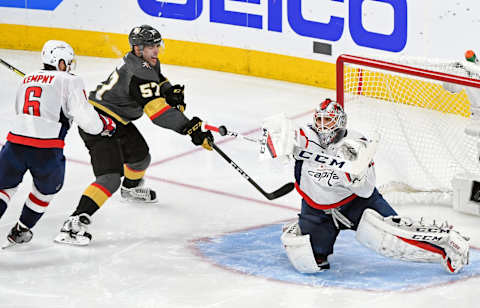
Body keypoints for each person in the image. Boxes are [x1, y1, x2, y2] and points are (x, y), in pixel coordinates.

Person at [54, 25, 213, 246]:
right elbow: (157, 114)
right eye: (151, 47)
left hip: (118, 119)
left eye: (157, 46)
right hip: (99, 123)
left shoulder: (146, 63)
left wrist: (168, 91)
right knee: (109, 178)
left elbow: (158, 78)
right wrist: (189, 129)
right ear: (138, 49)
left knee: (140, 158)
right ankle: (73, 224)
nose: (156, 51)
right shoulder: (139, 71)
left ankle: (129, 189)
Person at [280, 98, 470, 274]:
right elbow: (283, 131)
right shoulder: (306, 137)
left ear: (340, 122)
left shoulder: (356, 144)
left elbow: (366, 190)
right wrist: (274, 137)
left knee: (394, 238)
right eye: (319, 120)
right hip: (316, 210)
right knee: (309, 262)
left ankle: (448, 242)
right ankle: (308, 228)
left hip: (357, 205)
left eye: (328, 121)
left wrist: (355, 178)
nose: (322, 126)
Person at [0, 40, 116, 247]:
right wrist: (103, 126)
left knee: (4, 188)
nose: (70, 65)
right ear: (60, 62)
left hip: (13, 145)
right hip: (45, 149)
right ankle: (21, 230)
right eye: (68, 61)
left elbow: (21, 110)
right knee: (45, 191)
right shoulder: (70, 80)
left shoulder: (28, 78)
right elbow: (87, 120)